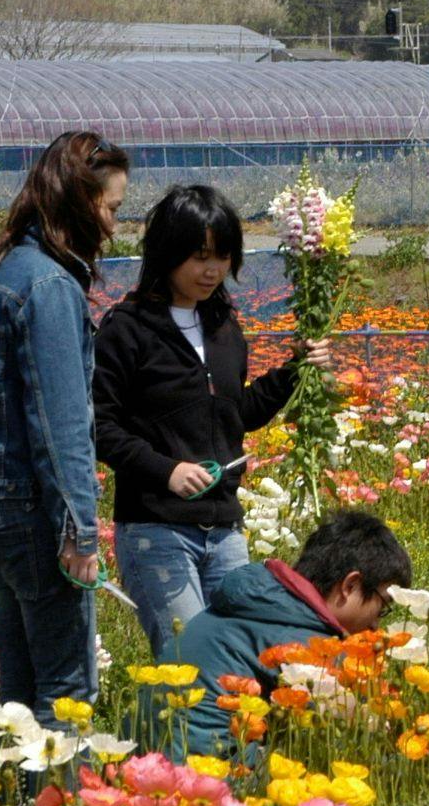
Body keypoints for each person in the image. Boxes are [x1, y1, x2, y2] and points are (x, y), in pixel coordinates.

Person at [93, 184, 332, 658]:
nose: (213, 270)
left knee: (238, 661)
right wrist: (166, 470)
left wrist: (294, 372)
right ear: (168, 252)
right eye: (200, 256)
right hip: (157, 530)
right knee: (189, 661)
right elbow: (98, 424)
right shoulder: (128, 328)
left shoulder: (223, 326)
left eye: (223, 256)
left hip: (224, 529)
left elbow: (234, 416)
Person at [0, 131, 130, 741]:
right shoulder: (49, 286)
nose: (113, 226)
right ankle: (57, 803)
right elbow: (61, 426)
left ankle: (18, 797)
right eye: (110, 207)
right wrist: (79, 532)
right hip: (35, 515)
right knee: (66, 696)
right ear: (80, 202)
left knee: (19, 694)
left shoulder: (0, 270)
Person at [170, 511, 411, 758]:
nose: (376, 625)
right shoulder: (306, 644)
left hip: (154, 761)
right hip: (215, 770)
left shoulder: (258, 599)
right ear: (350, 586)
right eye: (383, 606)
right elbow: (344, 738)